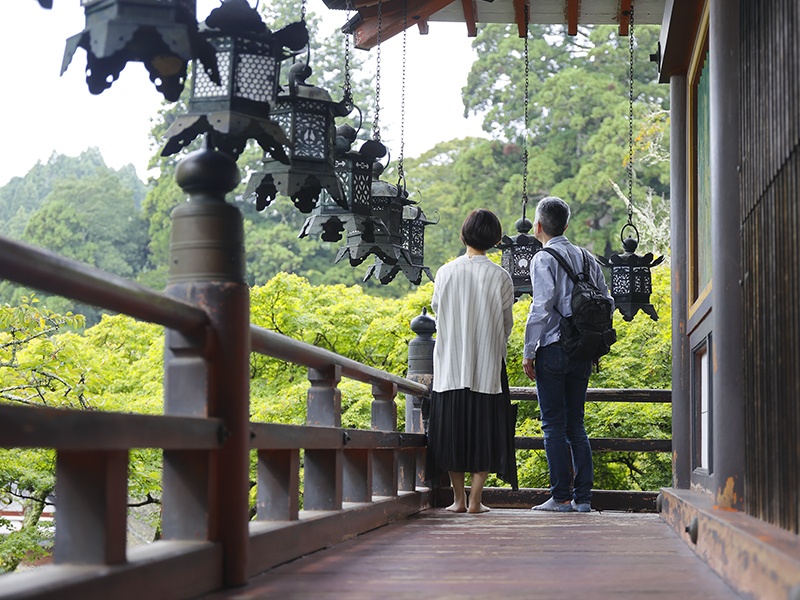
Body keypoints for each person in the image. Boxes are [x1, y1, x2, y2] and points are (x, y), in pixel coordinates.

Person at [522, 196, 613, 513]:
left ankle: (561, 497)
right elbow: (607, 301)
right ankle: (583, 499)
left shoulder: (543, 259)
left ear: (539, 225)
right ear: (566, 225)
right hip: (585, 348)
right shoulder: (587, 258)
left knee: (553, 426)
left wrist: (528, 350)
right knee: (576, 424)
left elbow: (541, 308)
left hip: (554, 347)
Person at [426, 209, 517, 513]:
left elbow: (437, 310)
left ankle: (458, 500)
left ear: (464, 234)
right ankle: (477, 500)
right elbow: (507, 324)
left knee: (451, 433)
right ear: (495, 239)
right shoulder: (501, 277)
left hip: (450, 366)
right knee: (485, 432)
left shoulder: (445, 272)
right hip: (486, 367)